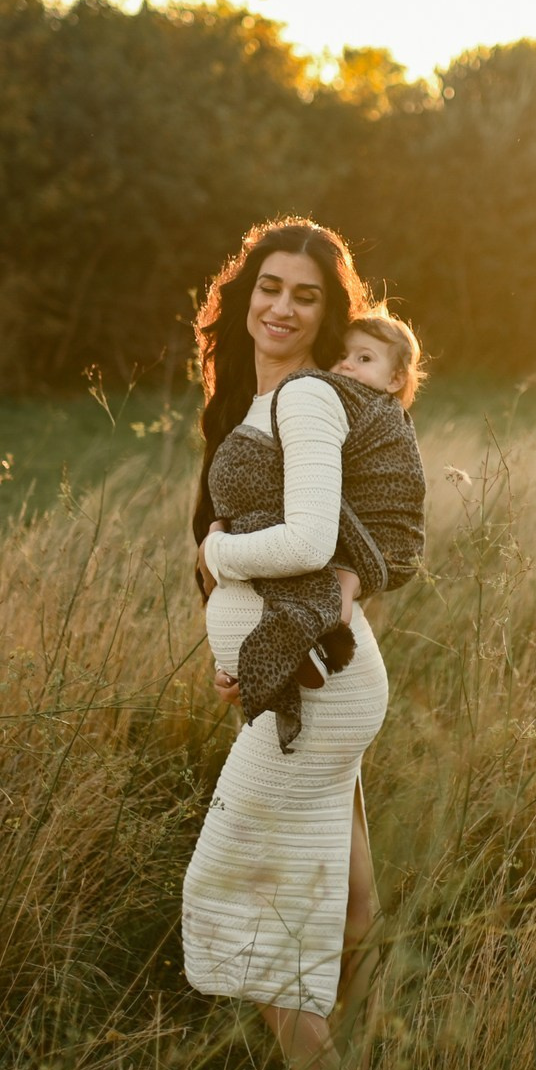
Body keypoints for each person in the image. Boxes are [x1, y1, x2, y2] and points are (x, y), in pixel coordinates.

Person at [180, 220, 413, 1070]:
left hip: (319, 684)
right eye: (268, 287)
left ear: (328, 314)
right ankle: (353, 1062)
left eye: (305, 295)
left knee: (232, 894)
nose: (280, 306)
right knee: (350, 900)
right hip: (313, 677)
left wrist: (216, 554)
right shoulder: (262, 400)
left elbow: (312, 544)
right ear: (244, 298)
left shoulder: (309, 400)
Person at [213, 310, 428, 749]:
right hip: (371, 540)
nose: (347, 366)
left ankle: (324, 625)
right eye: (342, 356)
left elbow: (318, 536)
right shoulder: (343, 401)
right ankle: (311, 638)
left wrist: (216, 551)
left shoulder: (356, 404)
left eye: (364, 358)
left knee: (335, 582)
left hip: (386, 535)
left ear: (394, 381)